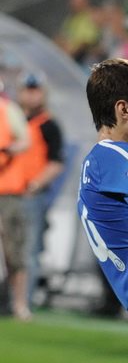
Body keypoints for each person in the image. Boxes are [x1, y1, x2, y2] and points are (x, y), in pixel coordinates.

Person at [16, 72, 65, 307]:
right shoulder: (12, 121)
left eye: (35, 90)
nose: (31, 95)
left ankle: (23, 303)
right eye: (27, 90)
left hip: (31, 196)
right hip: (8, 194)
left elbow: (56, 163)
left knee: (29, 251)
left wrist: (35, 185)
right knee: (11, 252)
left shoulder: (49, 124)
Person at [0, 78, 31, 320]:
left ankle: (20, 304)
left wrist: (8, 149)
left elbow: (25, 141)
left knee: (14, 250)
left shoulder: (8, 110)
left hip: (8, 191)